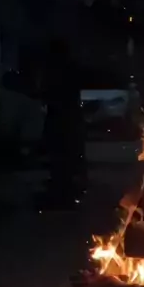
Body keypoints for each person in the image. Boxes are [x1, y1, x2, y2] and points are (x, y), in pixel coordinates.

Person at [40, 38, 86, 208]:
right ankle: (64, 191)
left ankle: (64, 193)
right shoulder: (65, 69)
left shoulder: (59, 71)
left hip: (64, 120)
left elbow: (53, 94)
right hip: (66, 120)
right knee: (65, 159)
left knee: (63, 159)